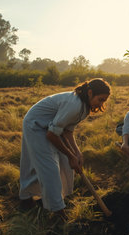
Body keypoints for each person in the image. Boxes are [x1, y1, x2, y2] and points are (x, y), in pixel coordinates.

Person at [19, 78, 111, 219]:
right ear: (90, 93)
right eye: (100, 99)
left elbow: (68, 131)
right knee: (49, 167)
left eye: (104, 101)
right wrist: (71, 156)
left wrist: (77, 153)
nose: (101, 104)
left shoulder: (84, 108)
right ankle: (58, 213)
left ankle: (35, 199)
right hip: (36, 125)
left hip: (50, 127)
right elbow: (51, 135)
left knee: (64, 165)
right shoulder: (74, 105)